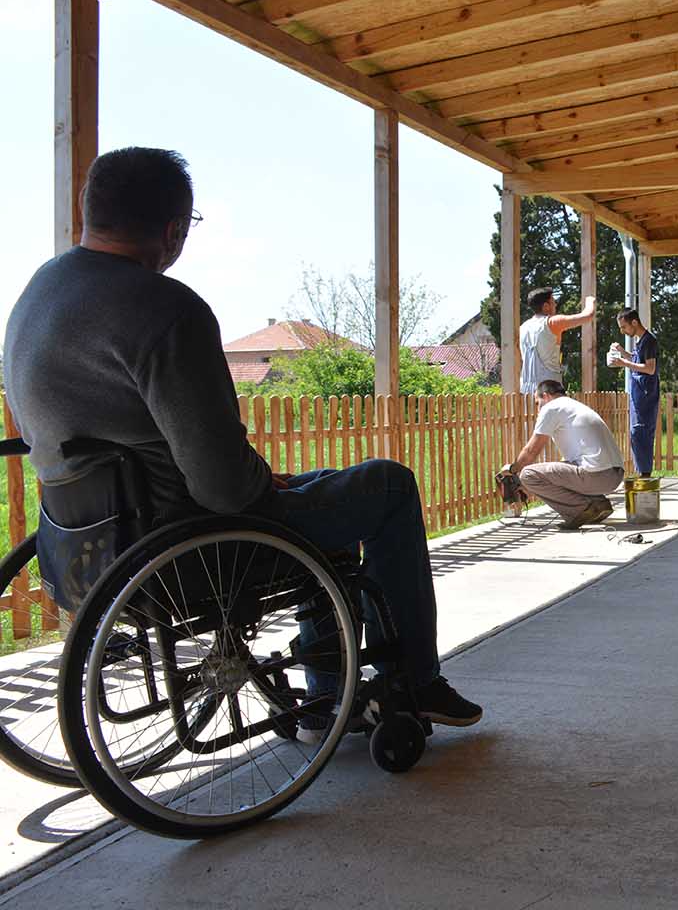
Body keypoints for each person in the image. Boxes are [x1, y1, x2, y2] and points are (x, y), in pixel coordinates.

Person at [2, 147, 483, 735]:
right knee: (388, 484)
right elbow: (225, 486)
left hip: (84, 547)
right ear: (176, 228)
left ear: (90, 211)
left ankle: (331, 698)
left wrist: (262, 479)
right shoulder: (166, 310)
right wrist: (260, 481)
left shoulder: (38, 294)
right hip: (189, 546)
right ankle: (415, 679)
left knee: (319, 493)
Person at [508, 380, 625, 529]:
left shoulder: (551, 407)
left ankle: (579, 509)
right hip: (615, 476)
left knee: (528, 474)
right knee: (560, 469)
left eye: (537, 403)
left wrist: (513, 470)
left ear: (546, 396)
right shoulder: (574, 406)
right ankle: (599, 503)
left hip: (596, 475)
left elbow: (531, 451)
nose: (538, 409)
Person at [611, 307, 659, 478]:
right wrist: (623, 353)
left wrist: (623, 363)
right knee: (636, 434)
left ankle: (645, 475)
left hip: (646, 396)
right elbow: (637, 360)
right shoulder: (641, 342)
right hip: (638, 395)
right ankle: (642, 473)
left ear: (634, 322)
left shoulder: (649, 341)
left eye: (624, 327)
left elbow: (650, 368)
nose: (623, 331)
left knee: (640, 434)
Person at [520, 287, 595, 394]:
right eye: (553, 302)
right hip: (549, 388)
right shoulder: (551, 322)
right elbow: (588, 316)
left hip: (526, 388)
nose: (555, 305)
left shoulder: (523, 327)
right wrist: (590, 301)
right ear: (546, 306)